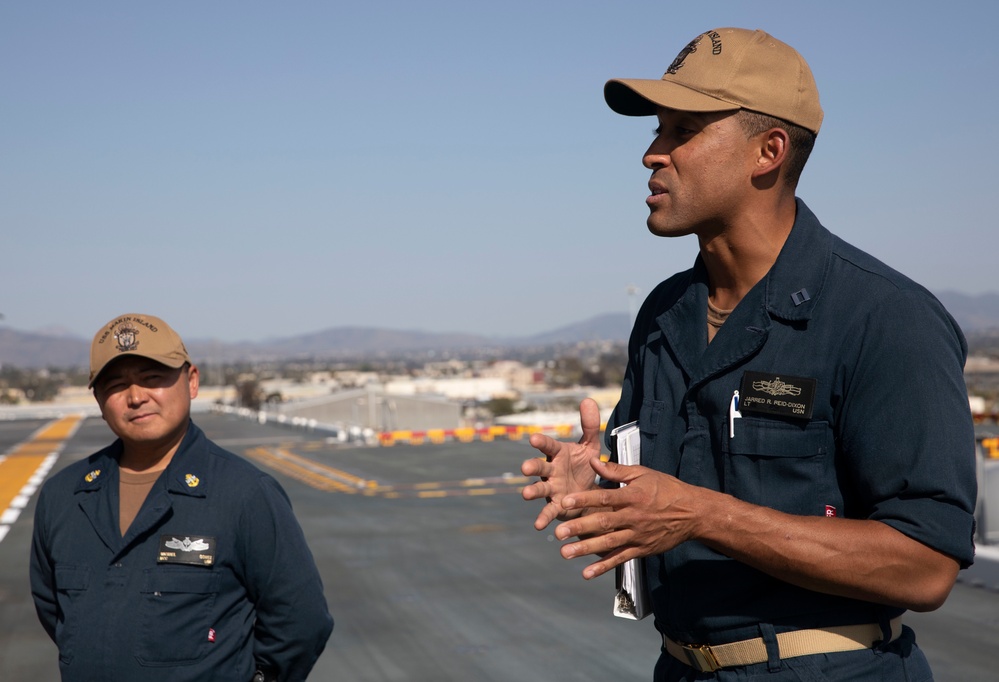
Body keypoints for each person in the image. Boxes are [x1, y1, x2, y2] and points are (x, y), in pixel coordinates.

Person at [521, 27, 977, 681]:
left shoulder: (884, 318)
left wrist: (701, 515)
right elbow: (659, 494)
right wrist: (592, 487)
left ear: (767, 151)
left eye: (681, 130)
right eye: (656, 131)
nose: (652, 154)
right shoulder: (661, 315)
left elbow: (925, 565)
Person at [30, 313, 333, 682]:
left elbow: (301, 619)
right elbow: (56, 613)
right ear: (98, 398)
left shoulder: (244, 494)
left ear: (191, 381)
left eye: (152, 378)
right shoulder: (64, 497)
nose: (136, 397)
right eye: (116, 384)